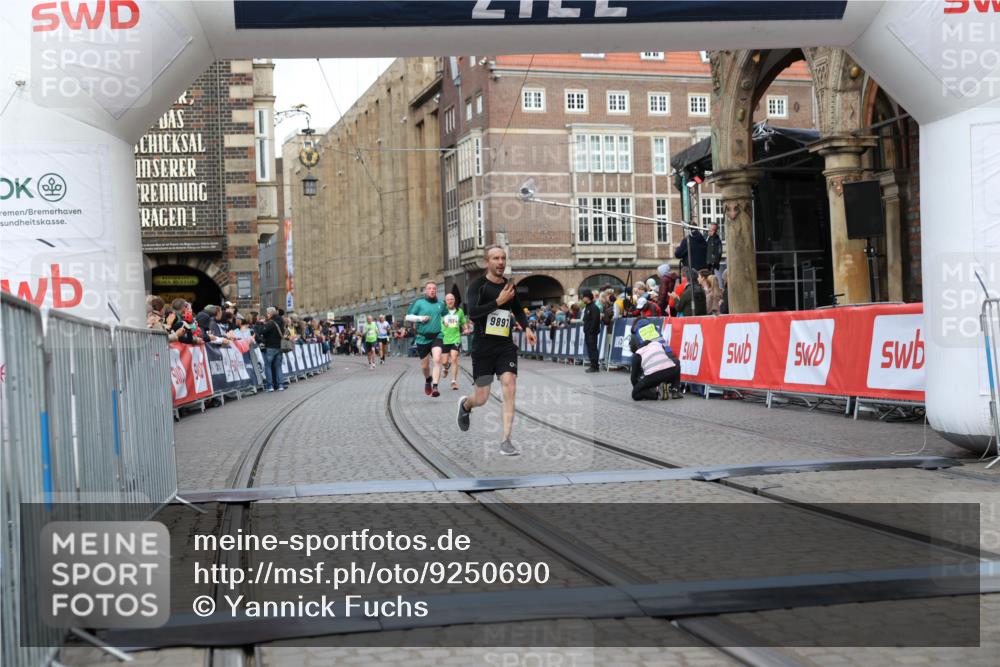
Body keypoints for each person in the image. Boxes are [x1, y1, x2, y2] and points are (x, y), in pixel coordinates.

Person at [456, 245, 537, 456]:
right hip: (483, 347)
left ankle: (506, 440)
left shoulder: (510, 285)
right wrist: (498, 302)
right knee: (481, 397)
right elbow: (473, 313)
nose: (500, 262)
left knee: (509, 385)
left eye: (503, 258)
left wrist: (526, 327)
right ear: (487, 262)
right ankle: (465, 406)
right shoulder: (477, 286)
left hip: (505, 346)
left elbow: (517, 309)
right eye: (495, 258)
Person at [405, 281, 446, 397]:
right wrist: (420, 318)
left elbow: (447, 315)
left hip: (437, 336)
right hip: (422, 338)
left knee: (437, 360)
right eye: (429, 288)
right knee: (424, 367)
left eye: (434, 288)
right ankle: (428, 379)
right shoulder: (419, 303)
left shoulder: (441, 304)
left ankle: (435, 386)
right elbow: (408, 317)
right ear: (425, 291)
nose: (432, 290)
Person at [629, 318, 681, 401]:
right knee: (676, 362)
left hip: (650, 359)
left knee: (646, 368)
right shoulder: (653, 327)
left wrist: (639, 387)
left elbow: (638, 351)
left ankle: (654, 391)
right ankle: (675, 390)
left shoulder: (635, 333)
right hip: (666, 352)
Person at [440, 292, 469, 390]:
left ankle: (453, 382)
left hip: (456, 338)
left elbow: (463, 323)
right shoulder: (442, 311)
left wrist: (465, 329)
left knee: (454, 358)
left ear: (454, 300)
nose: (450, 301)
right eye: (448, 299)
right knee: (444, 361)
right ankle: (446, 366)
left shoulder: (459, 311)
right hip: (444, 339)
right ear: (445, 301)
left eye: (451, 299)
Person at [260, 306, 286, 392]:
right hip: (279, 347)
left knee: (268, 366)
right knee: (278, 367)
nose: (267, 315)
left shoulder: (270, 323)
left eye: (267, 313)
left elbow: (262, 331)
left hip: (270, 347)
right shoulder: (281, 321)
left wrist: (261, 324)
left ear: (270, 314)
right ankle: (281, 385)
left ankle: (270, 386)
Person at [581, 291, 601, 373]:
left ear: (588, 297)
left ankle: (595, 366)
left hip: (591, 333)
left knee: (593, 349)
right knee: (590, 349)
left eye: (583, 297)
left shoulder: (594, 308)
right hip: (587, 332)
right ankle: (592, 364)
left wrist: (591, 331)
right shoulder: (587, 307)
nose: (582, 299)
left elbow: (595, 321)